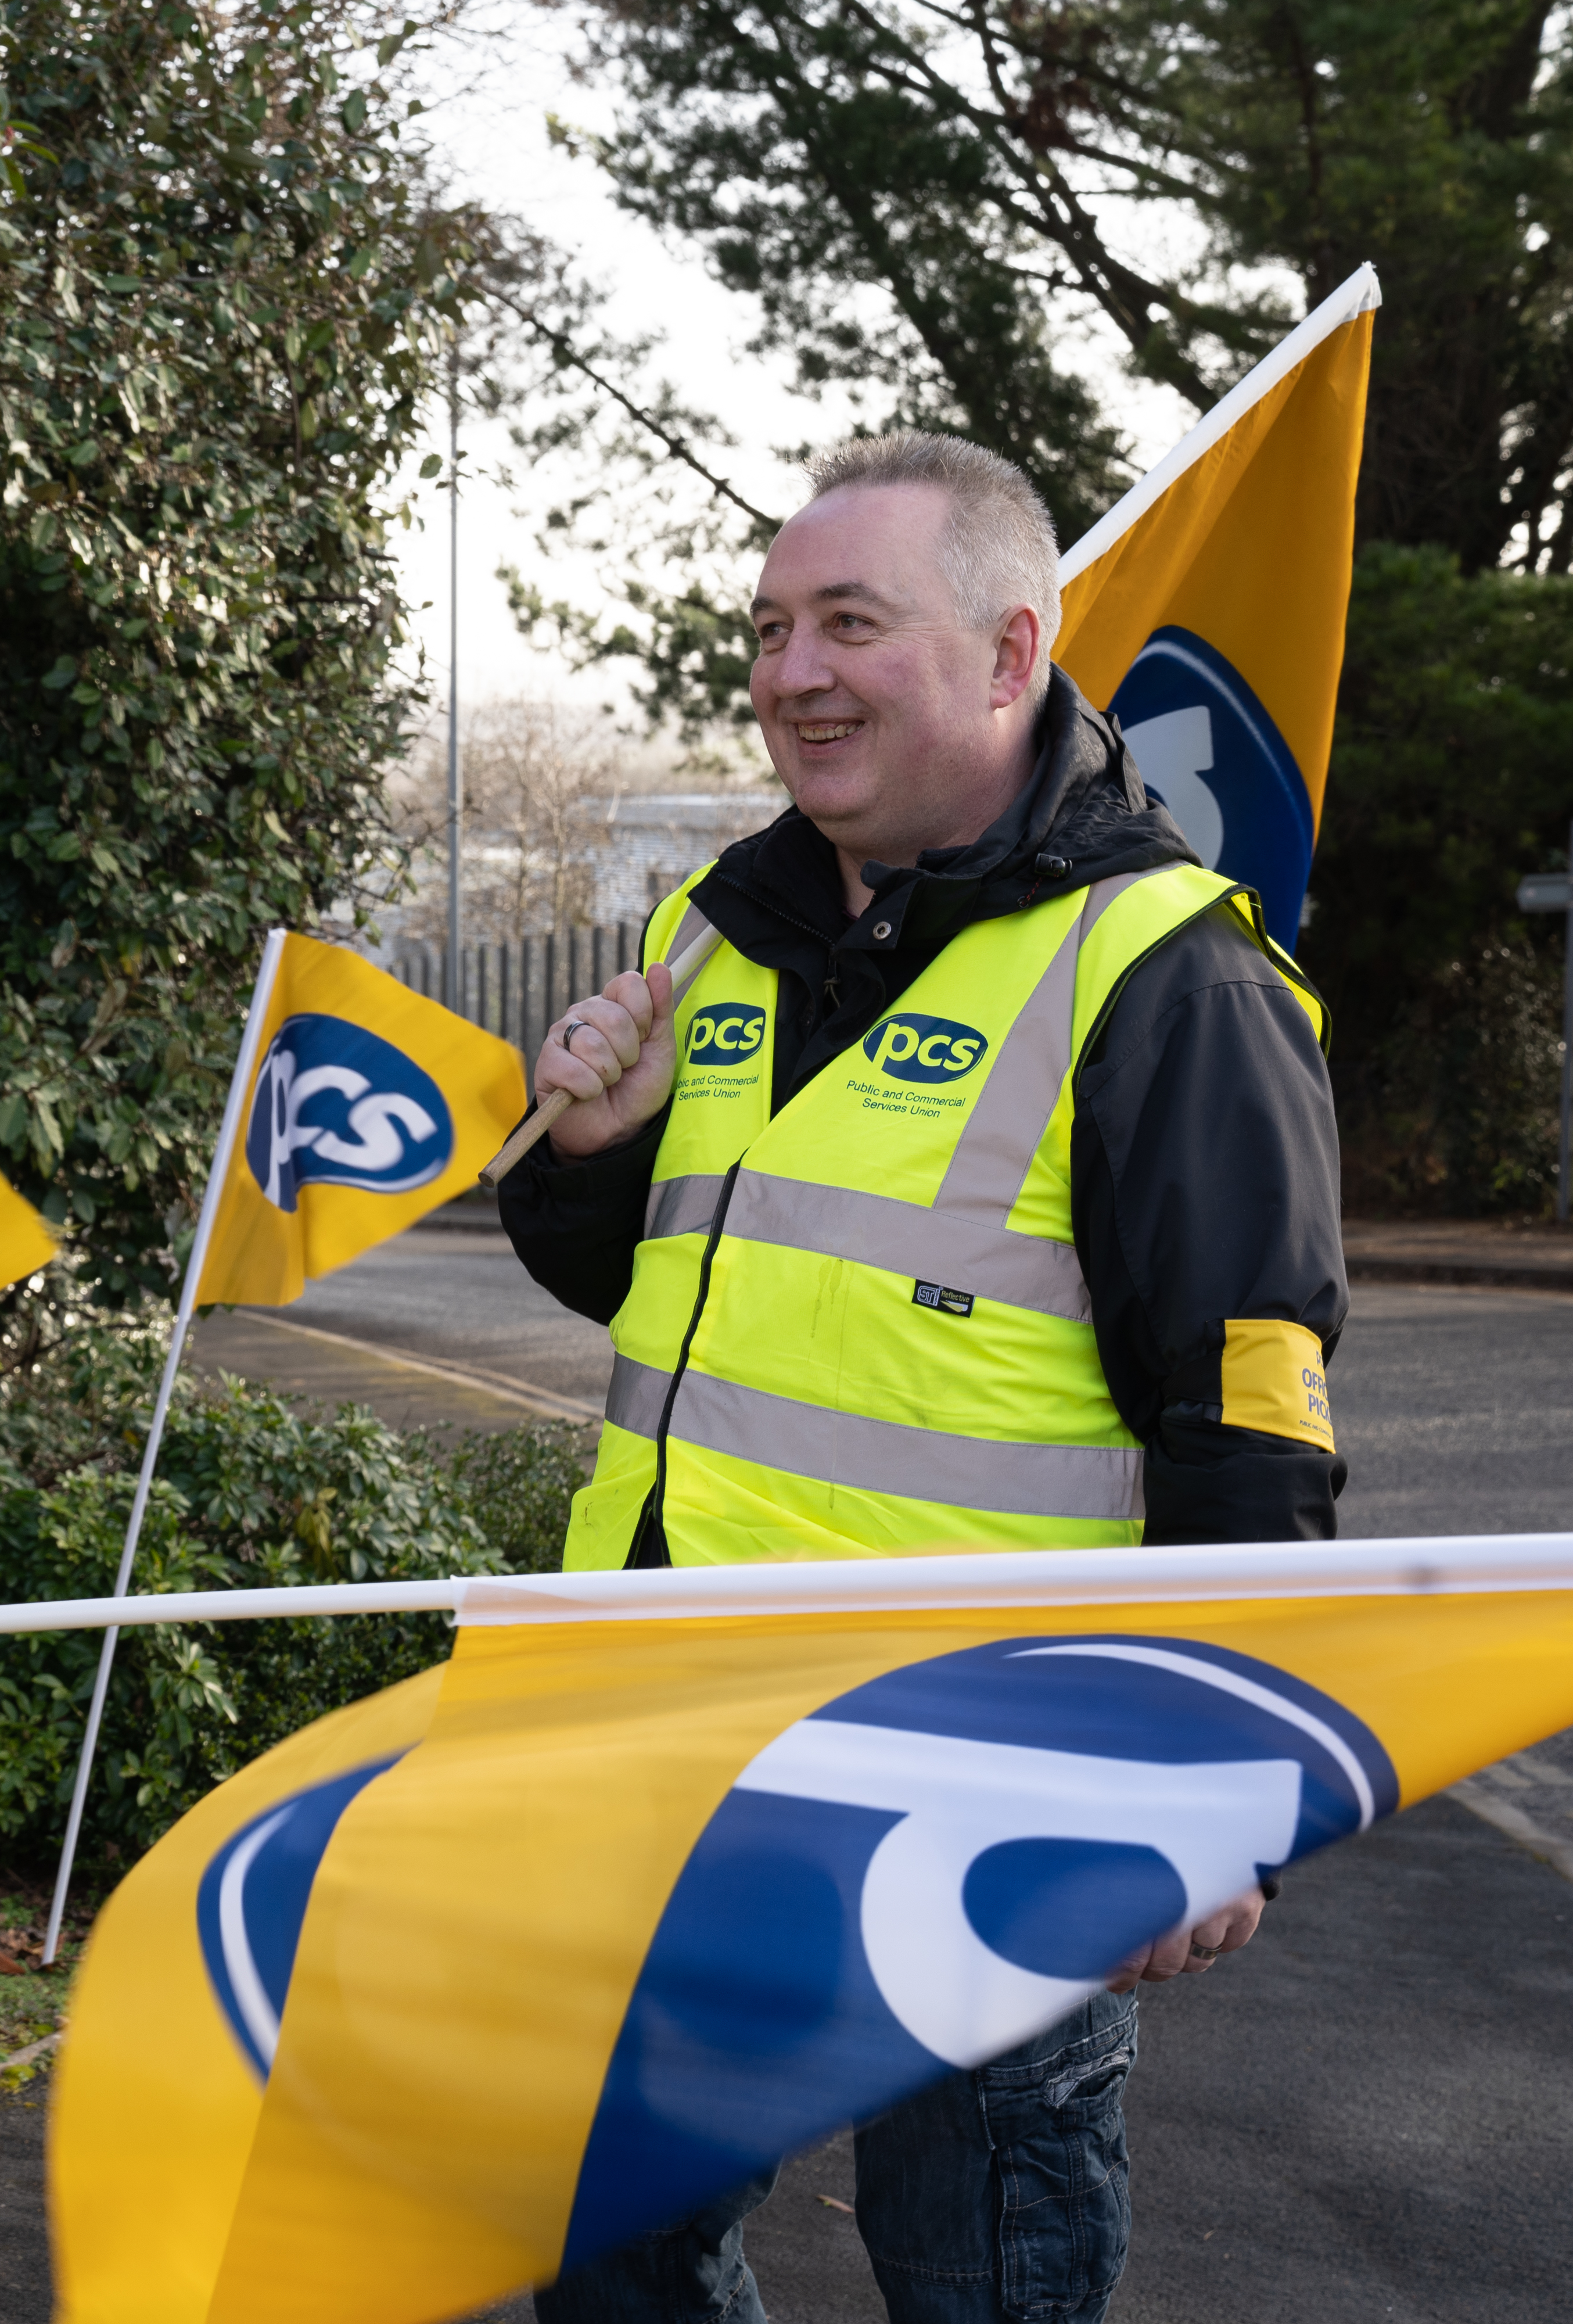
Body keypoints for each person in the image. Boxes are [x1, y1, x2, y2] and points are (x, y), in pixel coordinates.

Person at [500, 432, 1343, 2324]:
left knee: (984, 2290)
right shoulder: (716, 935)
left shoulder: (1163, 973)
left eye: (852, 622)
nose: (792, 670)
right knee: (617, 2270)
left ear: (1006, 655)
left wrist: (1224, 1793)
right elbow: (648, 1291)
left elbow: (1251, 1424)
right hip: (666, 1766)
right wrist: (584, 1149)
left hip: (984, 1803)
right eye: (774, 626)